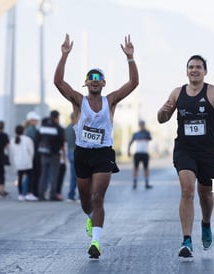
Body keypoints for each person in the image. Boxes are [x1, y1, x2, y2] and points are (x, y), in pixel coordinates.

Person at [54, 33, 138, 259]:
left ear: (103, 83)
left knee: (98, 197)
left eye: (98, 77)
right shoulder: (78, 101)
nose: (94, 80)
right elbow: (59, 83)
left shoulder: (109, 100)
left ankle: (96, 242)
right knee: (85, 202)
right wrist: (64, 56)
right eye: (90, 77)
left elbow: (133, 83)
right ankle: (91, 219)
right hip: (82, 153)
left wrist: (130, 58)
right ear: (86, 82)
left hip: (103, 154)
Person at [157, 55, 214, 258]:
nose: (194, 70)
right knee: (187, 191)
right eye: (191, 67)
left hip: (208, 152)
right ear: (186, 71)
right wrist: (163, 110)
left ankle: (206, 223)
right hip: (185, 150)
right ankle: (186, 240)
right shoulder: (177, 93)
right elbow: (162, 119)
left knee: (205, 194)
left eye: (198, 67)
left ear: (205, 71)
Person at [35, 111, 66, 201]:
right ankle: (52, 195)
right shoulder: (58, 128)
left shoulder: (42, 128)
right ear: (56, 118)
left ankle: (41, 194)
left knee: (43, 175)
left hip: (44, 154)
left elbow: (37, 140)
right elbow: (62, 142)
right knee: (54, 175)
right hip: (55, 155)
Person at [9, 125, 37, 201]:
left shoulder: (12, 140)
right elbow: (31, 151)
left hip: (18, 162)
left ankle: (20, 194)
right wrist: (31, 159)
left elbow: (12, 151)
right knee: (30, 178)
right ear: (23, 131)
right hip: (27, 161)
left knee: (20, 178)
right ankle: (29, 193)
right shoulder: (28, 139)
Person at [127, 120, 153, 189]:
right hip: (138, 153)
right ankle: (135, 183)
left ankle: (147, 183)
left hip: (145, 153)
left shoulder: (147, 133)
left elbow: (150, 139)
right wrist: (128, 151)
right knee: (135, 168)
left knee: (146, 169)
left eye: (142, 125)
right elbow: (130, 142)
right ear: (139, 125)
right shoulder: (136, 134)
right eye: (140, 125)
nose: (141, 126)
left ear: (144, 125)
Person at [24, 111, 41, 198]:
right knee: (32, 175)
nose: (37, 121)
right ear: (31, 120)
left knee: (29, 174)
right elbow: (32, 143)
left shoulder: (27, 129)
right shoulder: (31, 130)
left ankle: (27, 192)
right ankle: (30, 193)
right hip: (33, 155)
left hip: (29, 155)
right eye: (35, 120)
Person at [65, 112, 78, 202]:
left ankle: (71, 195)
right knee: (80, 176)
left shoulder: (67, 128)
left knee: (73, 176)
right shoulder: (76, 128)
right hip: (76, 152)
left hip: (70, 151)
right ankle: (81, 196)